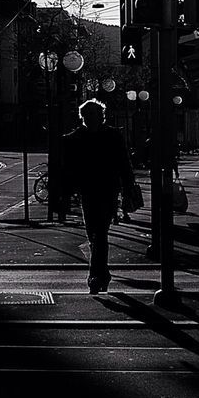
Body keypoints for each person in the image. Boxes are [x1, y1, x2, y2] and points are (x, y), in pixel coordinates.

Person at [62, 99, 136, 295]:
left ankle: (95, 276)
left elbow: (124, 164)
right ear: (83, 117)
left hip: (106, 191)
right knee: (93, 233)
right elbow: (68, 168)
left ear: (100, 116)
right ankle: (102, 274)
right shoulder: (80, 138)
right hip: (90, 191)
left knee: (99, 233)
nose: (90, 119)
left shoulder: (108, 136)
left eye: (93, 115)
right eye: (87, 116)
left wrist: (128, 187)